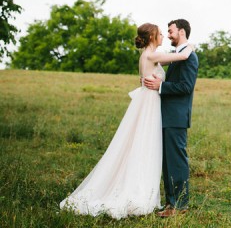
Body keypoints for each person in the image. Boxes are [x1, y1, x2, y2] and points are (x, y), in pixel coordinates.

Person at [60, 23, 194, 219]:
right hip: (149, 105)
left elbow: (170, 63)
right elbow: (182, 56)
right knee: (145, 146)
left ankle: (146, 190)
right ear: (152, 37)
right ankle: (137, 192)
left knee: (140, 145)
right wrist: (190, 46)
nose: (164, 35)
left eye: (167, 32)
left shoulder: (149, 55)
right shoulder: (151, 54)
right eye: (160, 33)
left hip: (148, 103)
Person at [143, 19, 199, 217]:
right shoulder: (179, 55)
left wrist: (160, 86)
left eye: (171, 31)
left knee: (176, 161)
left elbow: (186, 87)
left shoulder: (190, 57)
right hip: (166, 116)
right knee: (168, 162)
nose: (167, 35)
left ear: (181, 32)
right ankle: (171, 203)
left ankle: (180, 205)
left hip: (176, 117)